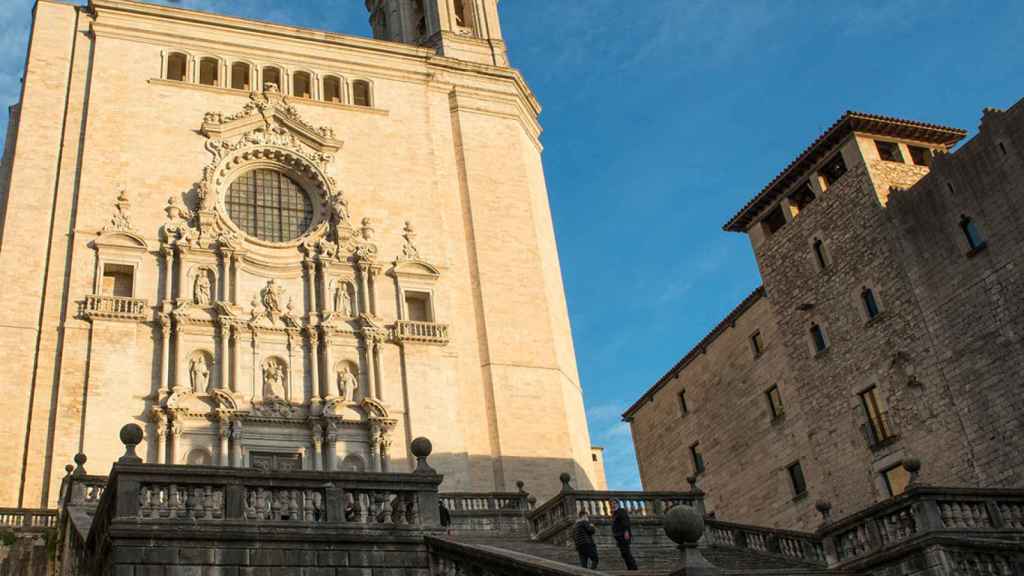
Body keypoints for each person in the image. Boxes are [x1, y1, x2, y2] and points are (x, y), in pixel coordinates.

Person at [611, 501, 638, 570]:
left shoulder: (621, 511)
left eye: (614, 503)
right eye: (611, 504)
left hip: (623, 535)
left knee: (626, 552)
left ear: (617, 504)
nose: (612, 505)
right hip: (619, 537)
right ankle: (630, 568)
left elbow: (625, 521)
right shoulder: (614, 513)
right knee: (624, 553)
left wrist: (626, 531)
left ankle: (634, 568)